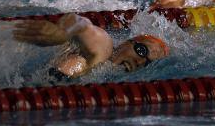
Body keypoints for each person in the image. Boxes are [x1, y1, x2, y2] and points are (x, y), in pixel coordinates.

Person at [13, 13, 170, 81]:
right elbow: (81, 23)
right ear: (126, 43)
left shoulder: (105, 74)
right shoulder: (104, 48)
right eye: (142, 51)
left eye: (148, 63)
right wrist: (61, 34)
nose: (140, 61)